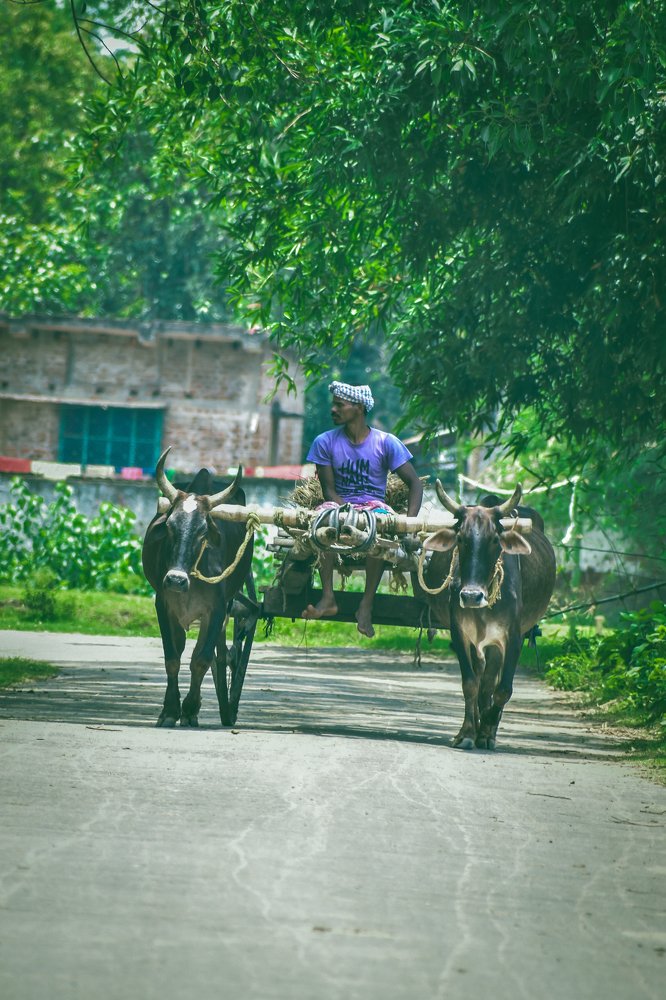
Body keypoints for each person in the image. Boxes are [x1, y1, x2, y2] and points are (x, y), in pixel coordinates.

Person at [302, 381, 423, 637]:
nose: (333, 409)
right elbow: (328, 491)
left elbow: (415, 484)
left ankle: (366, 605)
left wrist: (409, 526)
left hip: (374, 507)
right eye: (333, 404)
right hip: (339, 504)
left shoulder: (386, 443)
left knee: (377, 525)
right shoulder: (324, 442)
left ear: (358, 408)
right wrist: (346, 512)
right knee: (323, 519)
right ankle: (328, 598)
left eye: (339, 405)